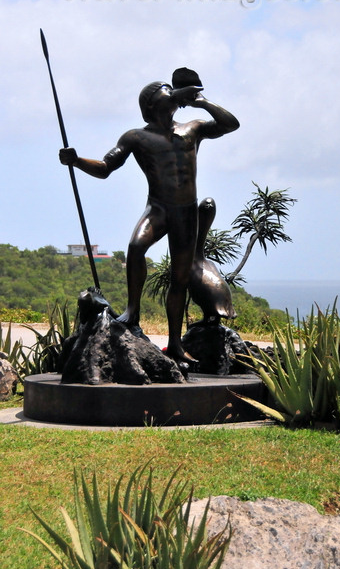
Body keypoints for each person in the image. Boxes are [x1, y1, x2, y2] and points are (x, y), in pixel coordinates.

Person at [59, 73, 239, 363]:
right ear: (153, 103)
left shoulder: (192, 128)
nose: (174, 94)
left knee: (179, 280)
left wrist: (202, 102)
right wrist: (77, 160)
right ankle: (132, 310)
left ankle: (175, 343)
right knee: (136, 247)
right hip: (158, 208)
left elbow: (230, 124)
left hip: (185, 212)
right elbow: (106, 166)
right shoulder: (136, 137)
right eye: (167, 91)